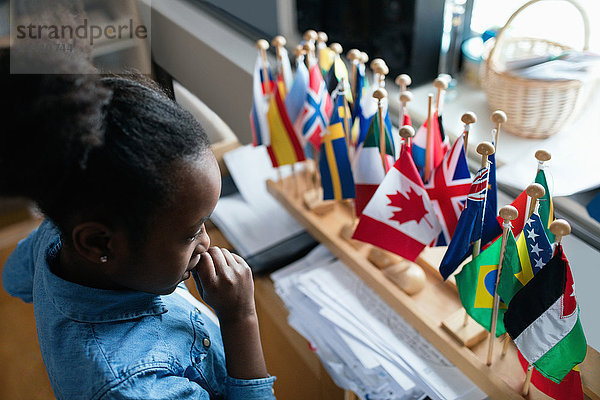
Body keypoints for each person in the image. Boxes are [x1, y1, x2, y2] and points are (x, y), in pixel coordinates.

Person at [0, 43, 276, 399]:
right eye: (191, 233)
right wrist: (240, 320)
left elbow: (15, 279)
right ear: (100, 244)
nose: (206, 242)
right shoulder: (134, 387)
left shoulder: (56, 235)